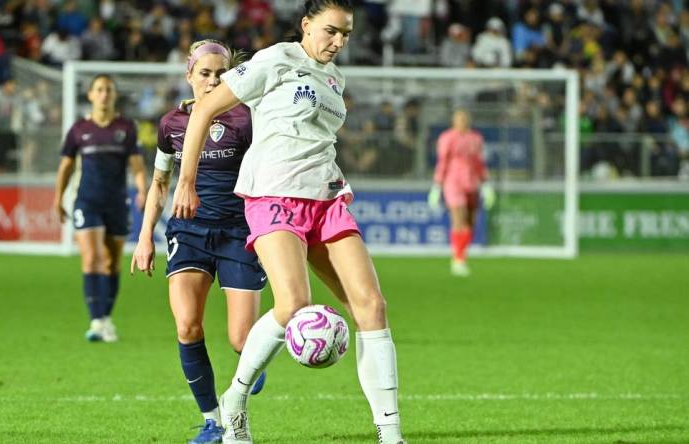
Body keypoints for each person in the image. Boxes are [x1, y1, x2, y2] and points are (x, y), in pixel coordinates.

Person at [169, 1, 407, 443]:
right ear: (306, 25)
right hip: (273, 197)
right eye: (331, 31)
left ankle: (391, 434)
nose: (338, 42)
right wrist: (186, 182)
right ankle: (236, 399)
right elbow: (203, 111)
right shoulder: (275, 60)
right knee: (294, 302)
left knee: (371, 307)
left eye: (347, 35)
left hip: (327, 197)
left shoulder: (336, 78)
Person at [130, 39, 267, 444]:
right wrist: (143, 238)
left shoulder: (247, 119)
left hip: (238, 233)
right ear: (189, 75)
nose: (212, 81)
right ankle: (213, 420)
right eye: (204, 73)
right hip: (188, 232)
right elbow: (159, 183)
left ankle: (251, 368)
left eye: (220, 74)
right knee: (188, 326)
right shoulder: (171, 124)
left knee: (243, 339)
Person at [53, 74, 147, 342]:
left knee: (112, 262)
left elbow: (137, 165)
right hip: (87, 200)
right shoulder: (79, 129)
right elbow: (66, 166)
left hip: (117, 201)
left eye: (108, 89)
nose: (104, 94)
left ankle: (105, 318)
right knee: (91, 257)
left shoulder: (126, 128)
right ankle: (96, 320)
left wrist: (142, 189)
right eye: (99, 89)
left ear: (114, 95)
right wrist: (57, 198)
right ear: (91, 95)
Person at [428, 109, 495, 277]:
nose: (462, 122)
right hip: (453, 182)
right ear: (454, 121)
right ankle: (458, 259)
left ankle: (460, 255)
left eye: (465, 118)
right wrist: (437, 186)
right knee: (459, 218)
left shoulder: (476, 138)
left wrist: (486, 185)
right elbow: (443, 162)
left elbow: (479, 163)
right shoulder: (447, 138)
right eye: (459, 119)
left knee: (470, 223)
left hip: (471, 183)